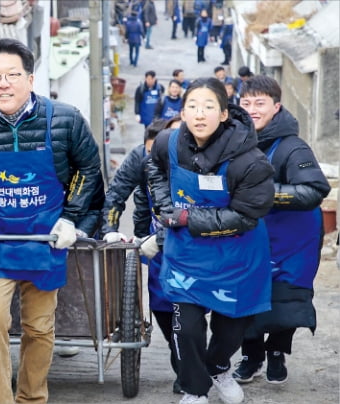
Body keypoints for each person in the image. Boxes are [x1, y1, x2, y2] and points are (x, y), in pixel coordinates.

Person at [0, 38, 102, 403]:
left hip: (44, 240)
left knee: (40, 328)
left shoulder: (66, 119)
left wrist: (72, 220)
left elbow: (89, 169)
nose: (3, 83)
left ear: (30, 78)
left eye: (12, 75)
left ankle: (31, 398)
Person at [147, 77, 276, 404]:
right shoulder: (167, 142)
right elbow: (155, 169)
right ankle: (194, 390)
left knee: (232, 329)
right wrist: (165, 205)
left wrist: (189, 218)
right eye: (192, 106)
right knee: (187, 329)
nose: (199, 114)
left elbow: (248, 215)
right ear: (183, 110)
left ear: (223, 114)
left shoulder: (250, 161)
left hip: (237, 256)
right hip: (186, 255)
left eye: (208, 107)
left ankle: (218, 366)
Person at [232, 75, 331, 385]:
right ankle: (251, 356)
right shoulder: (234, 142)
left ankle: (276, 352)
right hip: (249, 238)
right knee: (245, 298)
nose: (252, 110)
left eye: (260, 103)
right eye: (246, 103)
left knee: (283, 301)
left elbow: (315, 190)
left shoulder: (292, 147)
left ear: (276, 106)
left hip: (290, 243)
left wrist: (267, 193)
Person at [102, 119, 184, 395]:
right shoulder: (139, 156)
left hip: (195, 235)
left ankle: (196, 360)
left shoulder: (192, 157)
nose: (155, 159)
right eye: (151, 152)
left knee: (192, 303)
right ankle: (181, 359)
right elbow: (115, 195)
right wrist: (110, 230)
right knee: (161, 298)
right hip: (158, 237)